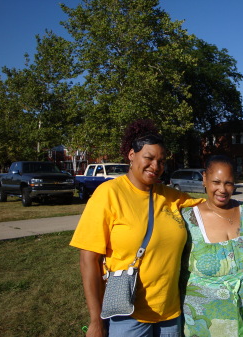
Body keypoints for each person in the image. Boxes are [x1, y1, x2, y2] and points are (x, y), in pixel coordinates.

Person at [70, 119, 204, 337]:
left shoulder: (171, 196)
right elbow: (88, 260)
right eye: (149, 158)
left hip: (170, 314)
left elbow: (214, 207)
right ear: (132, 155)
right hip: (128, 315)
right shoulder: (108, 194)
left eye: (161, 161)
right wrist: (96, 321)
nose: (156, 166)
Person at [181, 155, 243, 337]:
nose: (222, 189)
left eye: (228, 183)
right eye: (216, 182)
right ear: (204, 179)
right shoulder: (188, 219)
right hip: (205, 325)